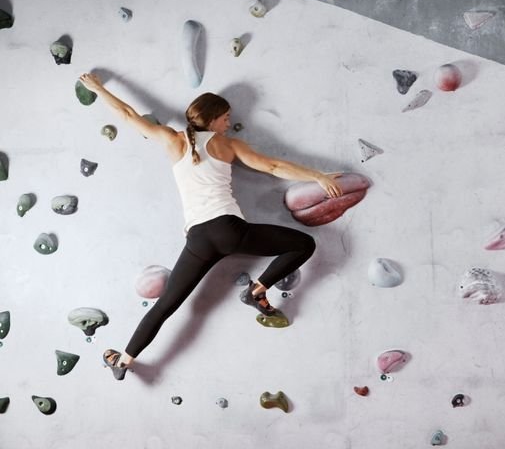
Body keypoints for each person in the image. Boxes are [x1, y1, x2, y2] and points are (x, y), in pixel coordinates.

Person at [78, 73, 343, 381]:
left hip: (198, 239)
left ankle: (123, 361)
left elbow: (128, 115)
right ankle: (257, 290)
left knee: (166, 305)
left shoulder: (172, 139)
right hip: (229, 231)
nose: (228, 123)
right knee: (303, 244)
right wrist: (318, 177)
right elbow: (273, 166)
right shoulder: (227, 145)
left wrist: (98, 88)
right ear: (214, 118)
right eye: (226, 117)